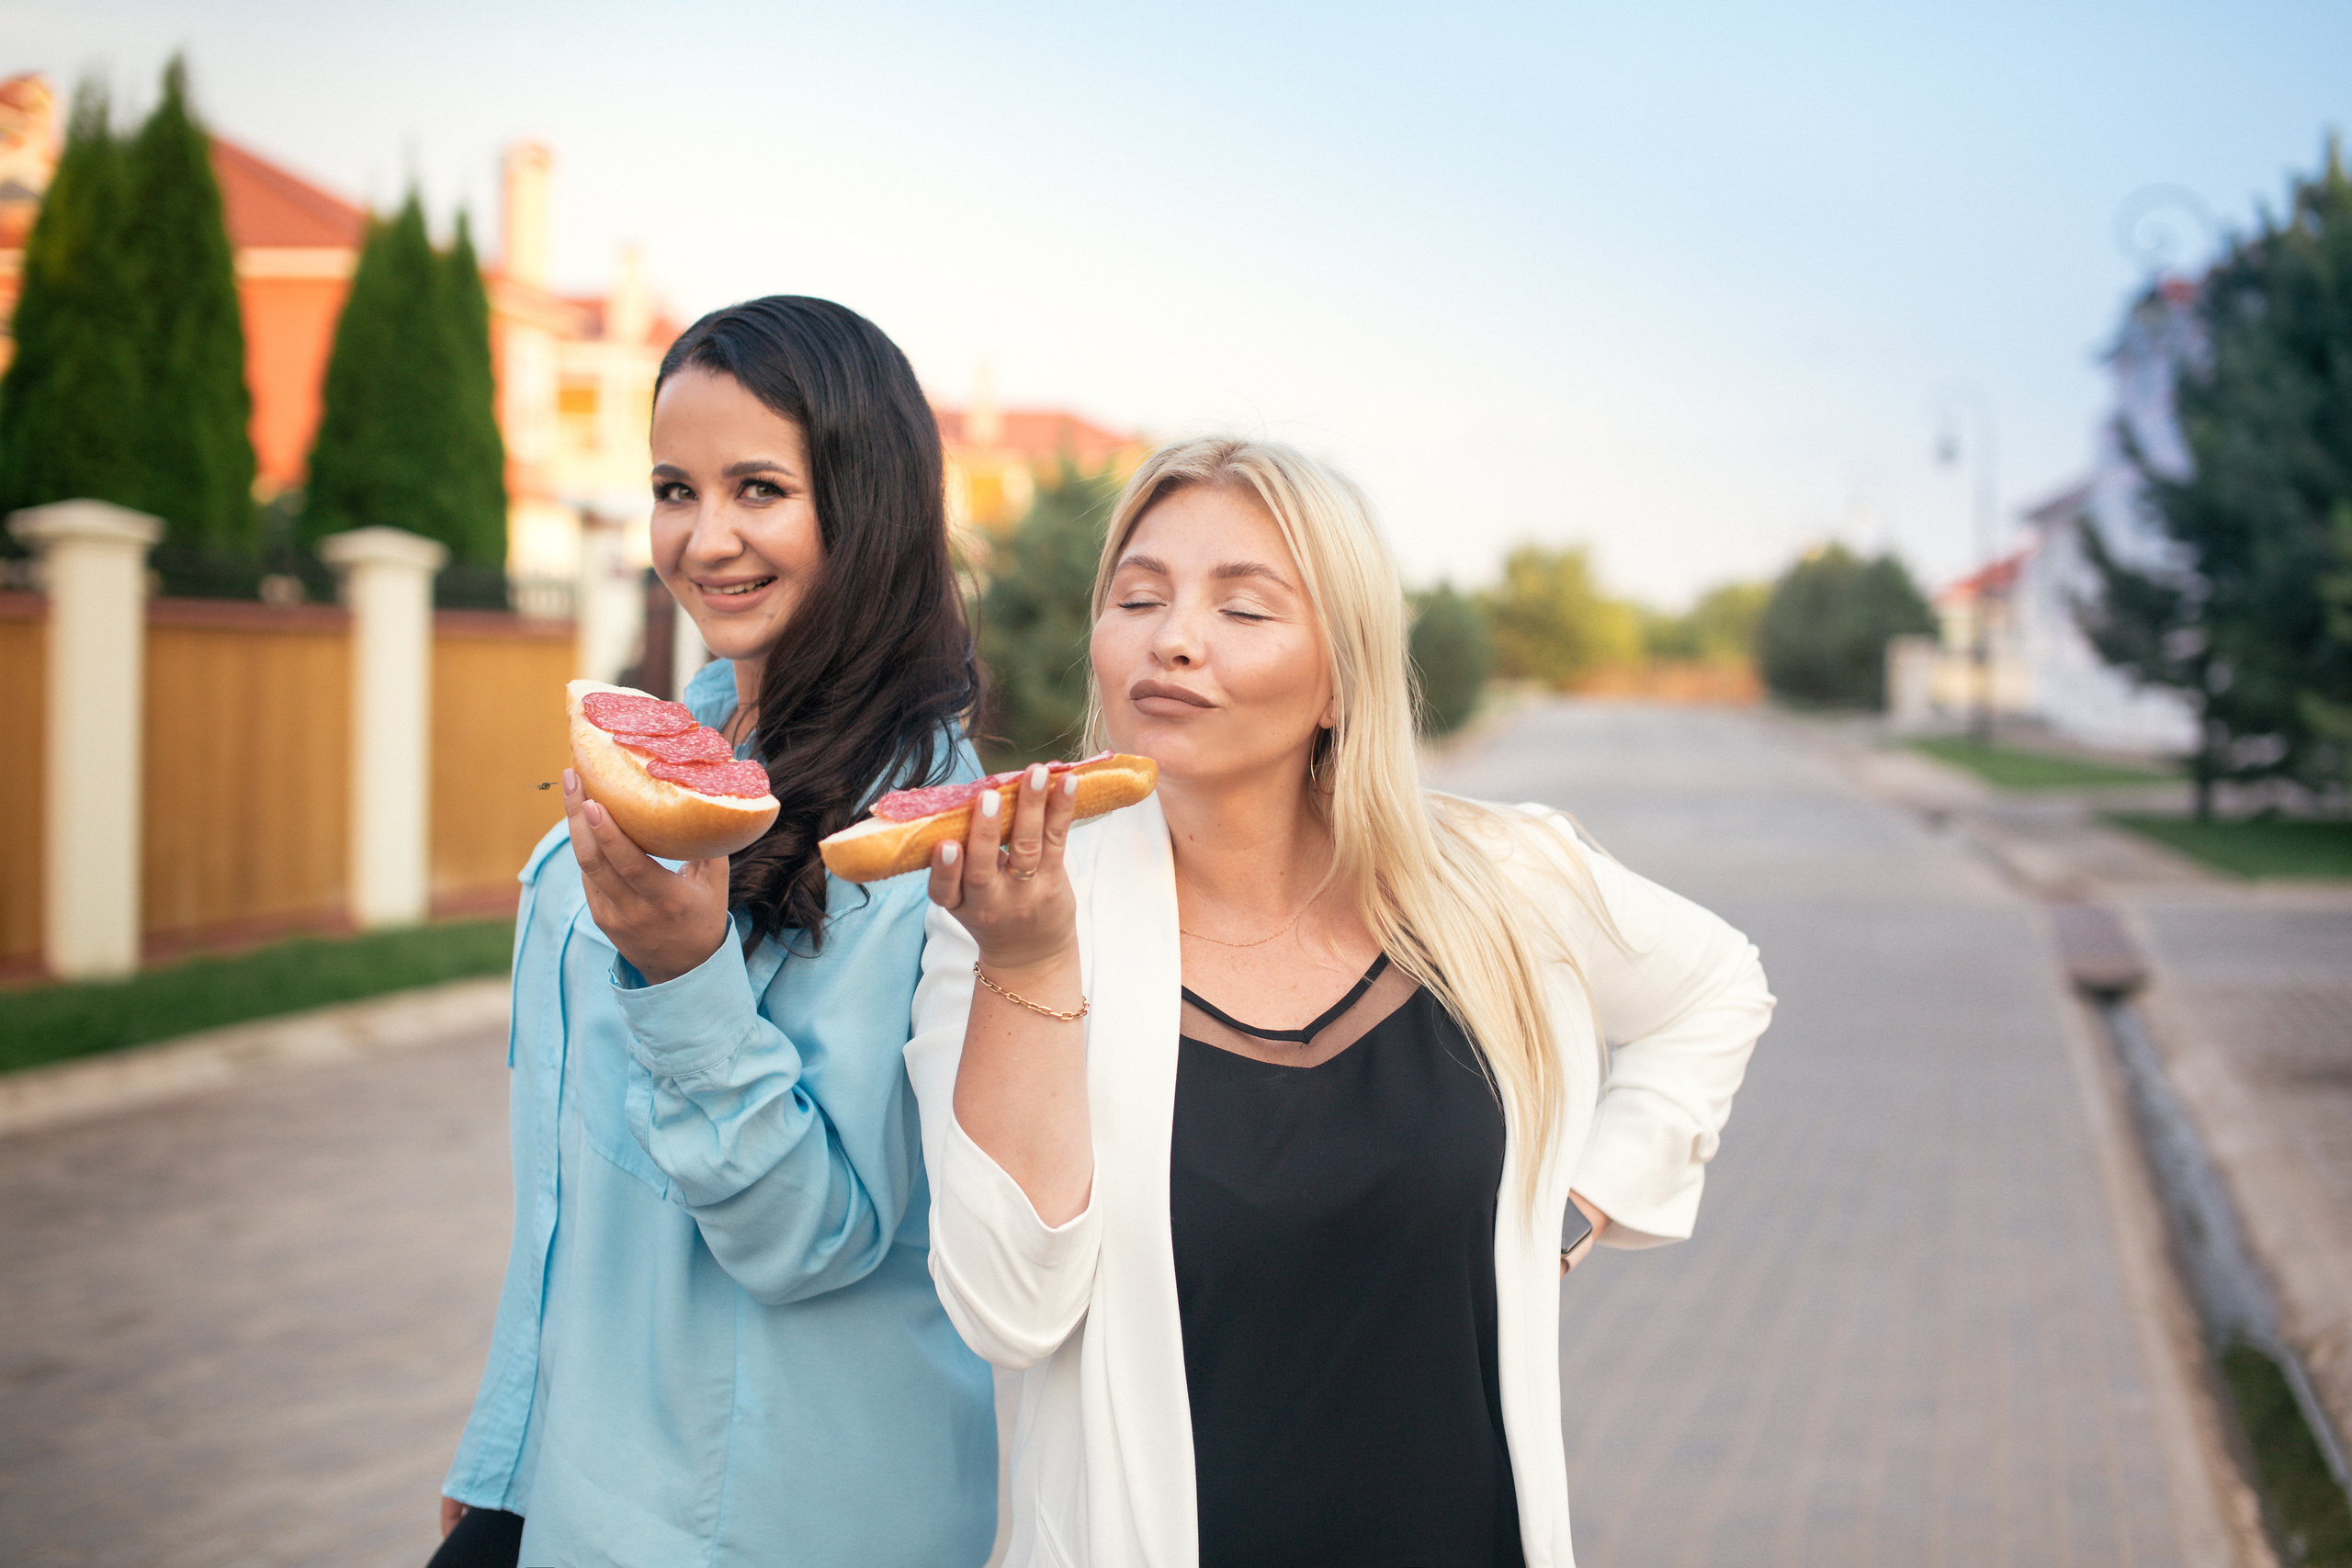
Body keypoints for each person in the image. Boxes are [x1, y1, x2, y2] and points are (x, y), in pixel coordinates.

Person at [907, 437, 1774, 1568]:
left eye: (1244, 609)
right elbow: (1006, 1310)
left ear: (1341, 677)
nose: (1173, 637)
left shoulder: (1497, 879)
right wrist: (1025, 964)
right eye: (1139, 597)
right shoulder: (1007, 915)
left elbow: (1715, 983)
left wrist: (1585, 1198)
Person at [433, 297, 998, 1568]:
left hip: (767, 1510)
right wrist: (505, 1445)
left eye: (760, 487)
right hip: (579, 1483)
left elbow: (820, 1234)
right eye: (673, 488)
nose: (706, 537)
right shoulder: (686, 741)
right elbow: (572, 1187)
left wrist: (687, 975)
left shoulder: (918, 835)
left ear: (868, 503)